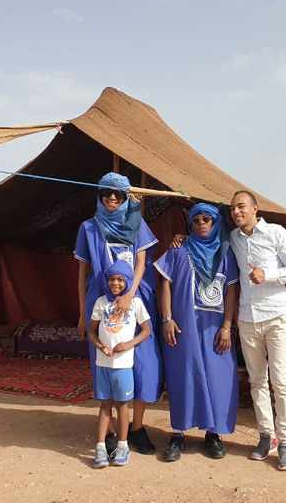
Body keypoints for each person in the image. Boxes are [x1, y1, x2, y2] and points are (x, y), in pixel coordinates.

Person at [75, 172, 164, 456]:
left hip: (136, 302)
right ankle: (112, 431)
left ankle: (137, 427)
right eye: (106, 192)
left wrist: (128, 295)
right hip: (100, 305)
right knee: (107, 363)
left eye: (119, 194)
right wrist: (81, 313)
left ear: (126, 197)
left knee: (145, 364)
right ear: (99, 194)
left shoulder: (136, 224)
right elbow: (81, 274)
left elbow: (141, 263)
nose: (112, 198)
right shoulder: (88, 228)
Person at [154, 203, 239, 462]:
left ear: (215, 223)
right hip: (184, 327)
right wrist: (167, 318)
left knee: (218, 378)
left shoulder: (225, 253)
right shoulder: (179, 250)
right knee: (184, 377)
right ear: (190, 223)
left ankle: (213, 434)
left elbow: (232, 291)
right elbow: (165, 283)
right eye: (197, 220)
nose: (202, 223)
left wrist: (227, 327)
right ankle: (178, 433)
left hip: (215, 329)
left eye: (207, 219)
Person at [229, 190, 286, 471]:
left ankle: (285, 443)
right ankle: (266, 437)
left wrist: (266, 274)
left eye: (241, 207)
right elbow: (208, 242)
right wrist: (180, 239)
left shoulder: (276, 233)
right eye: (232, 209)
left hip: (276, 316)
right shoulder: (233, 239)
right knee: (257, 381)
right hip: (247, 319)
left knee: (281, 382)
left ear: (255, 209)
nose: (236, 212)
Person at [87, 261, 152, 468]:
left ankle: (123, 445)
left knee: (123, 405)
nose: (115, 283)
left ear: (128, 282)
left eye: (120, 279)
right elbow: (91, 332)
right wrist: (99, 346)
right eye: (112, 279)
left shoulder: (136, 303)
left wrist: (128, 344)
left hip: (123, 364)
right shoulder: (100, 303)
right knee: (105, 405)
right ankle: (100, 448)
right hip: (102, 364)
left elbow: (146, 330)